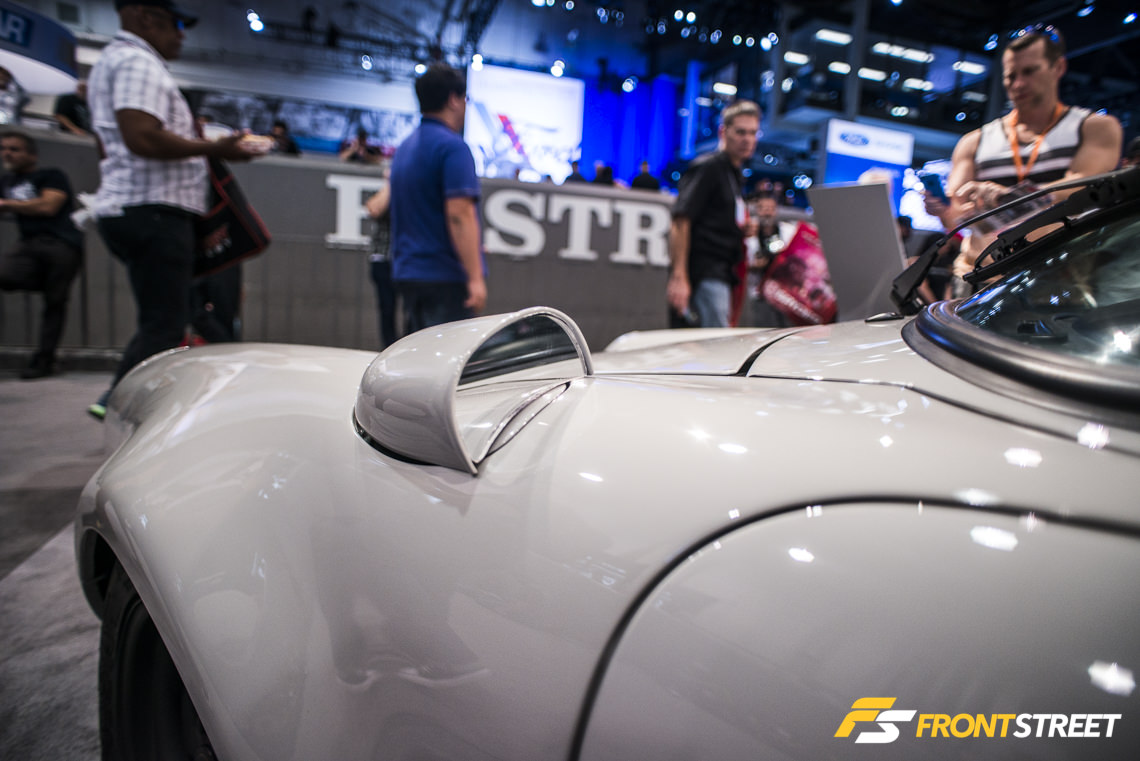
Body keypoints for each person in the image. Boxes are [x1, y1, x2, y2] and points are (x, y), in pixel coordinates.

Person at [85, 0, 261, 420]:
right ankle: (121, 408)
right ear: (144, 16)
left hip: (143, 207)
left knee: (174, 313)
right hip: (154, 210)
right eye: (176, 23)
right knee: (164, 323)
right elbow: (142, 137)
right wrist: (214, 148)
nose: (181, 34)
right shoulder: (136, 62)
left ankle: (119, 401)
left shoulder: (119, 61)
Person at [925, 25, 1122, 290]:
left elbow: (1084, 187)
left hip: (1059, 280)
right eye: (1010, 76)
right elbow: (956, 215)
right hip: (980, 281)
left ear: (1058, 67)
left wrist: (1005, 198)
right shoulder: (974, 141)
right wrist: (943, 209)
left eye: (1029, 71)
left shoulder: (1093, 127)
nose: (1017, 84)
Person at [388, 62, 485, 334]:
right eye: (464, 99)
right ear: (454, 100)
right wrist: (475, 278)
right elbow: (459, 215)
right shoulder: (453, 148)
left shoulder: (405, 148)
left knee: (418, 352)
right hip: (444, 276)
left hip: (409, 274)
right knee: (448, 356)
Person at [667, 99, 761, 328]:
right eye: (740, 132)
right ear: (723, 132)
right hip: (704, 273)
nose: (747, 139)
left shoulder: (734, 174)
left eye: (752, 133)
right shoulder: (709, 167)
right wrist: (679, 277)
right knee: (714, 344)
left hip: (722, 273)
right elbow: (680, 221)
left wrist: (741, 229)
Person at [0, 132, 84, 379]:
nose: (7, 154)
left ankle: (44, 360)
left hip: (60, 244)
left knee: (55, 303)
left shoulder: (51, 176)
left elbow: (49, 206)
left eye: (14, 149)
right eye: (4, 149)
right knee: (7, 275)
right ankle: (43, 282)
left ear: (32, 155)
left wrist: (7, 204)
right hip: (29, 245)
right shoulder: (7, 181)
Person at [364, 164, 398, 349]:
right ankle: (389, 349)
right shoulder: (386, 192)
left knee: (413, 311)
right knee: (387, 309)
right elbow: (374, 209)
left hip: (405, 261)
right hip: (383, 259)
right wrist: (392, 182)